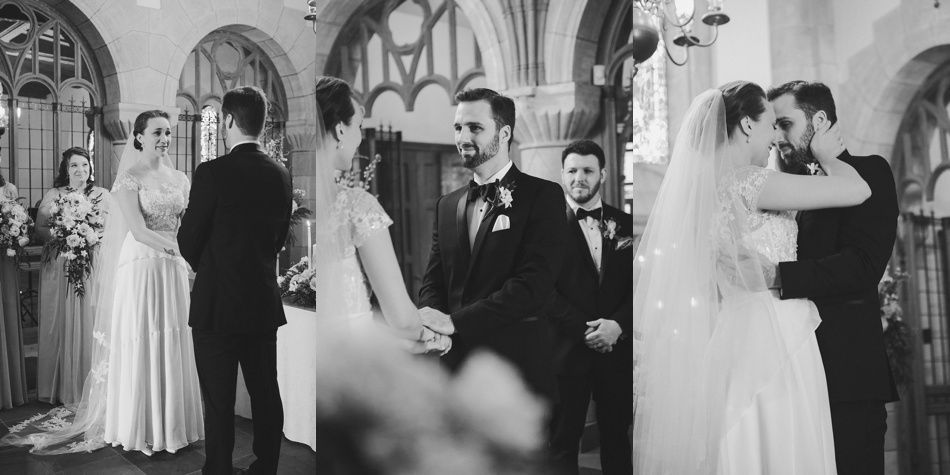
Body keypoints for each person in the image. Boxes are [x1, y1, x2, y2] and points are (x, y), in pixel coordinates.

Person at [631, 81, 869, 474]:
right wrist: (829, 155)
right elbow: (857, 189)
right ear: (746, 125)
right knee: (785, 440)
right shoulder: (747, 182)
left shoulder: (706, 189)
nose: (776, 137)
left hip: (735, 333)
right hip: (776, 332)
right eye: (771, 124)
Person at [0, 110, 203, 456]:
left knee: (173, 334)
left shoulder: (181, 179)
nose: (164, 139)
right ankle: (140, 423)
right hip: (143, 265)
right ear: (138, 137)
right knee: (145, 336)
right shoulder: (129, 179)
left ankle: (172, 422)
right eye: (157, 132)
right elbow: (138, 231)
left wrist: (189, 255)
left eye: (168, 132)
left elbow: (184, 225)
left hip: (172, 269)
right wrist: (182, 252)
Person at [769, 80, 899, 475]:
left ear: (820, 120)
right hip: (792, 372)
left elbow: (863, 266)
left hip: (847, 373)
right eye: (772, 127)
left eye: (785, 124)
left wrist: (778, 276)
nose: (777, 137)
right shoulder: (790, 187)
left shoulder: (870, 171)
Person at [417, 87, 569, 401]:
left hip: (516, 367)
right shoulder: (447, 204)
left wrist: (454, 322)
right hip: (455, 367)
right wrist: (432, 322)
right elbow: (434, 279)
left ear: (504, 133)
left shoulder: (543, 196)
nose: (462, 137)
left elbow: (533, 286)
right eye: (458, 127)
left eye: (475, 127)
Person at [179, 86, 291, 474]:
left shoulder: (211, 172)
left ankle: (219, 469)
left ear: (227, 120)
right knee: (265, 392)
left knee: (219, 399)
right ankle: (266, 467)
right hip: (261, 301)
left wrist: (213, 265)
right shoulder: (281, 174)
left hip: (216, 304)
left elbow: (188, 240)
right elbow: (278, 240)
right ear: (261, 123)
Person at [547, 140, 633, 475]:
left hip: (616, 350)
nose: (579, 178)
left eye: (587, 170)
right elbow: (543, 290)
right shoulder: (544, 227)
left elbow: (637, 284)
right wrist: (587, 331)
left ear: (603, 174)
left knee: (617, 440)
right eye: (572, 171)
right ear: (562, 174)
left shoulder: (625, 224)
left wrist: (618, 325)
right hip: (567, 351)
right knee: (562, 444)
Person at [34, 147, 109, 405]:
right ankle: (62, 384)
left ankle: (93, 380)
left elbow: (111, 228)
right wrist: (64, 236)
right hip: (61, 264)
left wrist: (92, 236)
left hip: (92, 262)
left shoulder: (102, 195)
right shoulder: (54, 195)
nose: (80, 170)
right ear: (65, 169)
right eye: (74, 165)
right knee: (61, 318)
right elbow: (40, 228)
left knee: (91, 316)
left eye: (85, 165)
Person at [0, 172, 26, 409]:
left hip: (4, 261)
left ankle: (8, 386)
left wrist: (14, 226)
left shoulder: (8, 190)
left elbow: (21, 223)